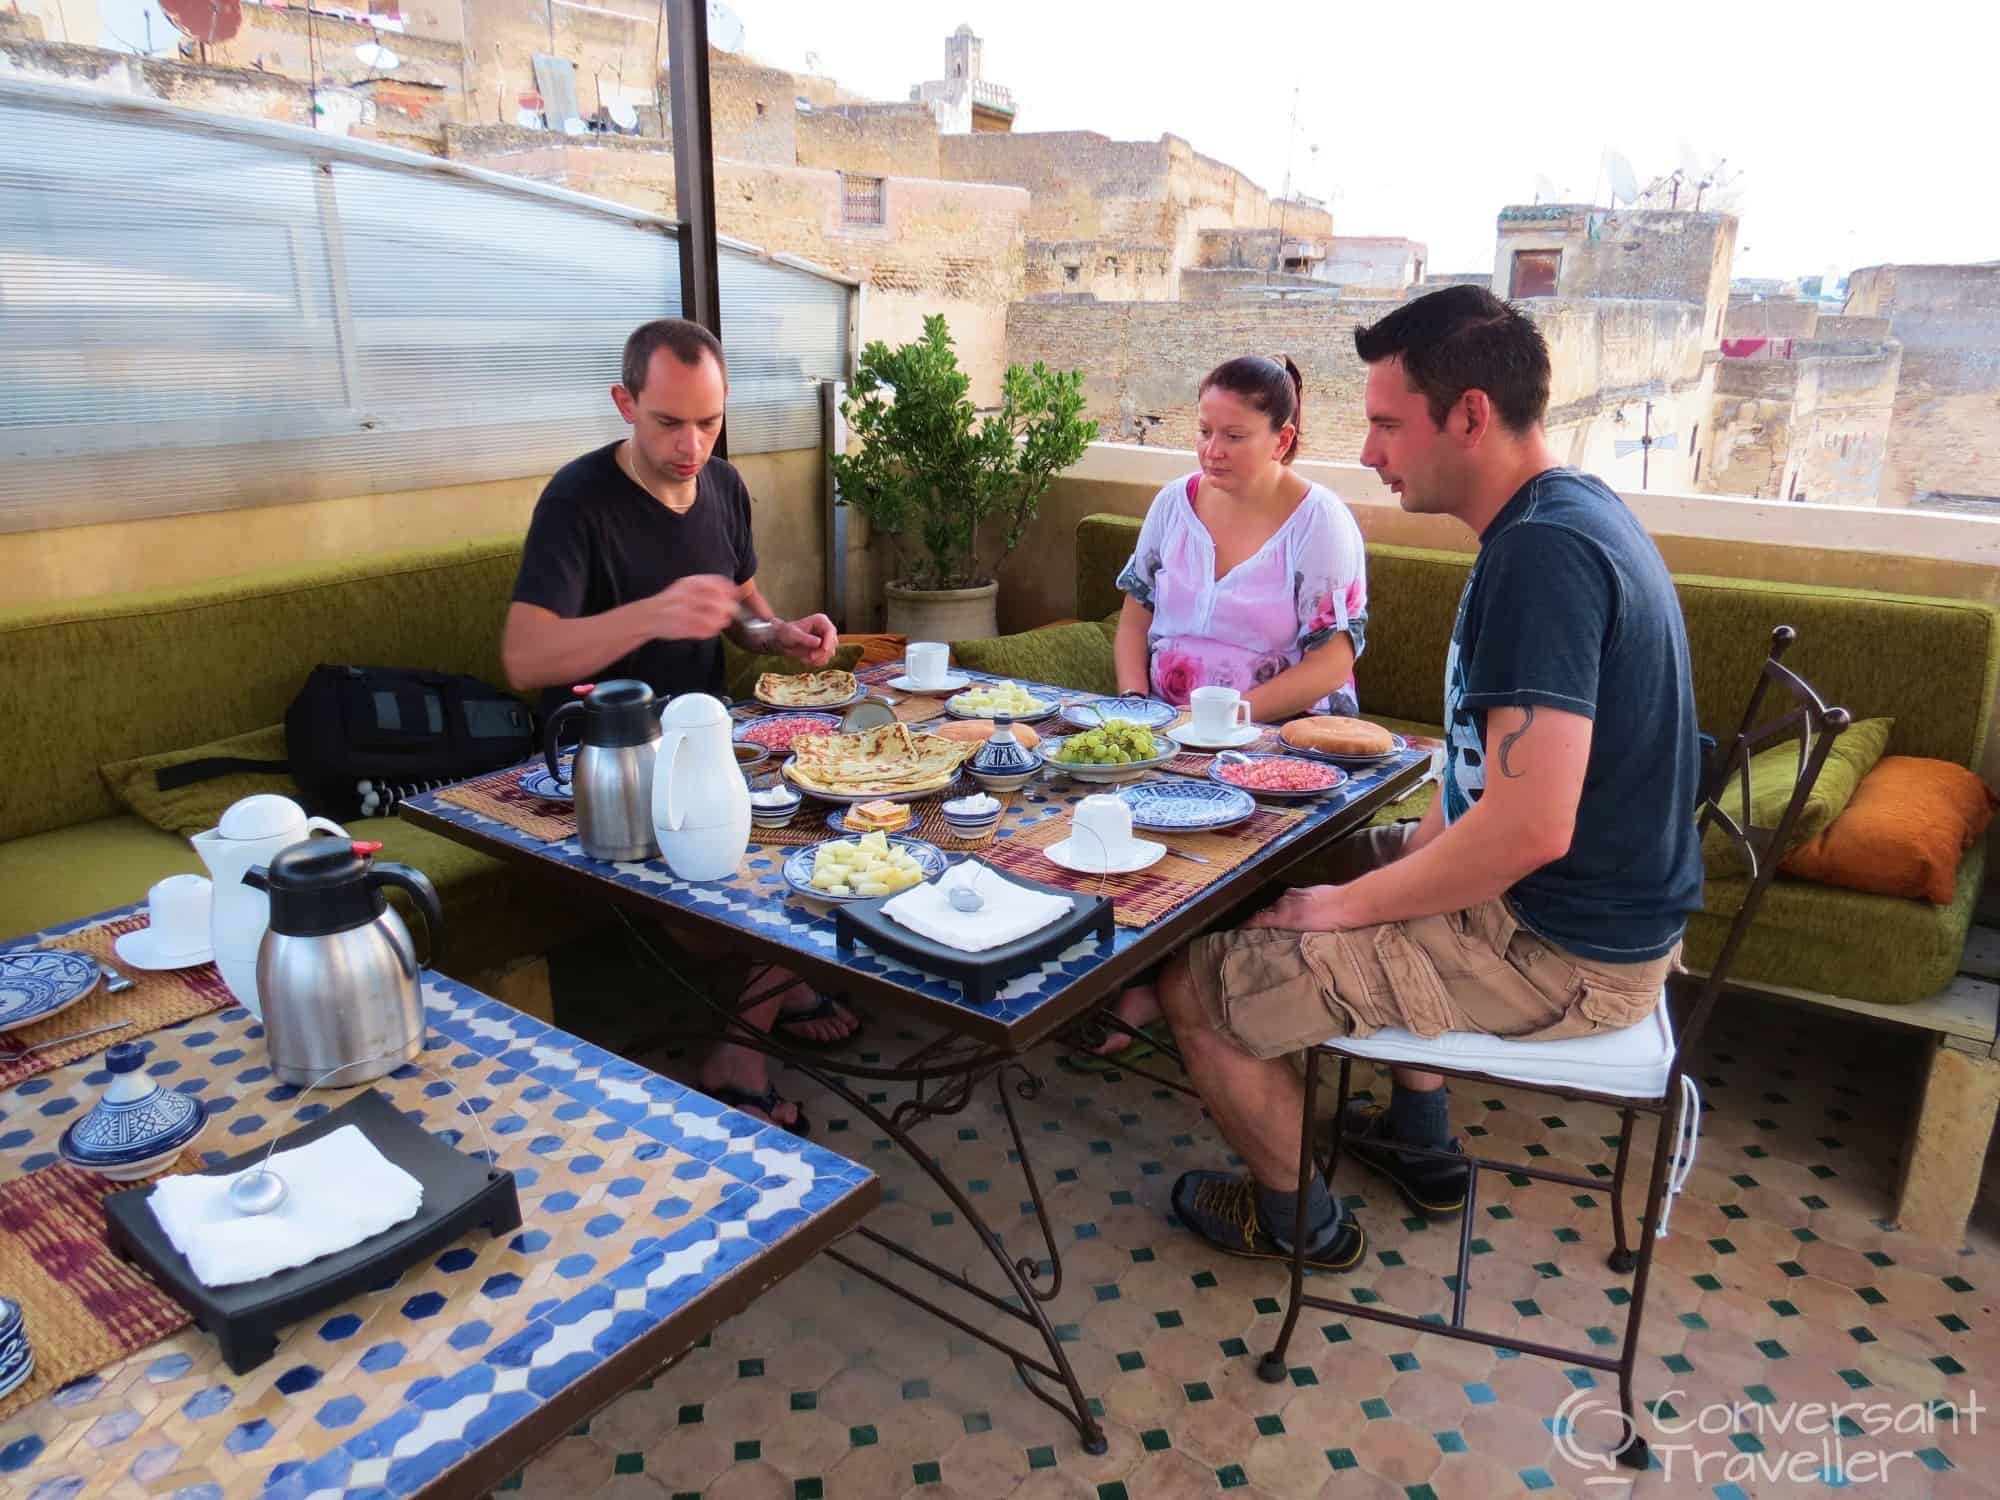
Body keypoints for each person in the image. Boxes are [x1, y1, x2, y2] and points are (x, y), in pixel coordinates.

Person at [1156, 285, 1703, 1271]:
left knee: (1196, 982)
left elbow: (1528, 830)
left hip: (1557, 947)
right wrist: (1373, 875)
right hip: (1573, 909)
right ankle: (1414, 1136)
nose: (1367, 453)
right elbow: (1494, 800)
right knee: (1251, 867)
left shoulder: (1543, 557)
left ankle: (1296, 1225)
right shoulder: (1561, 515)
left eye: (1384, 425)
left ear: (1468, 416)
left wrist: (1347, 909)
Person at [502, 317, 858, 1132]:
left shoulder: (725, 487)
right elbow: (525, 660)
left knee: (848, 817)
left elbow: (740, 611)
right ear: (625, 403)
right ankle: (741, 1043)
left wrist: (782, 634)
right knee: (768, 879)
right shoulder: (578, 500)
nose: (692, 443)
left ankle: (771, 993)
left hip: (709, 741)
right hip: (606, 759)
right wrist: (649, 614)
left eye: (709, 421)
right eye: (669, 421)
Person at [1068, 355, 1367, 1071]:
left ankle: (1149, 988)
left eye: (1233, 435)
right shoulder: (1175, 502)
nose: (1211, 450)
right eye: (1203, 431)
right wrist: (1136, 700)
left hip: (1275, 735)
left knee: (1237, 835)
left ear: (1282, 440)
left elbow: (1332, 663)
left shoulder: (1319, 521)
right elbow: (1134, 616)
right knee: (1084, 803)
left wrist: (1231, 718)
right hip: (1166, 724)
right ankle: (1105, 965)